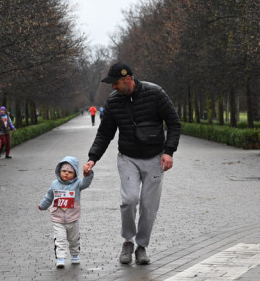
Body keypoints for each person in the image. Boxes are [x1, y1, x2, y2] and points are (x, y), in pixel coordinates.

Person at [83, 62, 181, 266]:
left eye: (116, 83)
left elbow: (174, 123)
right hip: (128, 157)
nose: (113, 87)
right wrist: (93, 157)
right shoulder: (114, 101)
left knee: (149, 206)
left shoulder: (155, 93)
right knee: (130, 199)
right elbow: (105, 133)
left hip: (155, 157)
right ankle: (128, 241)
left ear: (128, 79)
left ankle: (141, 247)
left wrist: (169, 152)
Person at [38, 156, 94, 269]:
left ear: (75, 173)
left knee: (74, 239)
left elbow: (86, 183)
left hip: (73, 217)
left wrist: (88, 174)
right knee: (60, 239)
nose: (66, 174)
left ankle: (75, 255)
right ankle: (60, 258)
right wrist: (43, 205)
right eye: (64, 171)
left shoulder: (78, 184)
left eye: (70, 172)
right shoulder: (54, 184)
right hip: (57, 218)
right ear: (59, 171)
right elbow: (49, 196)